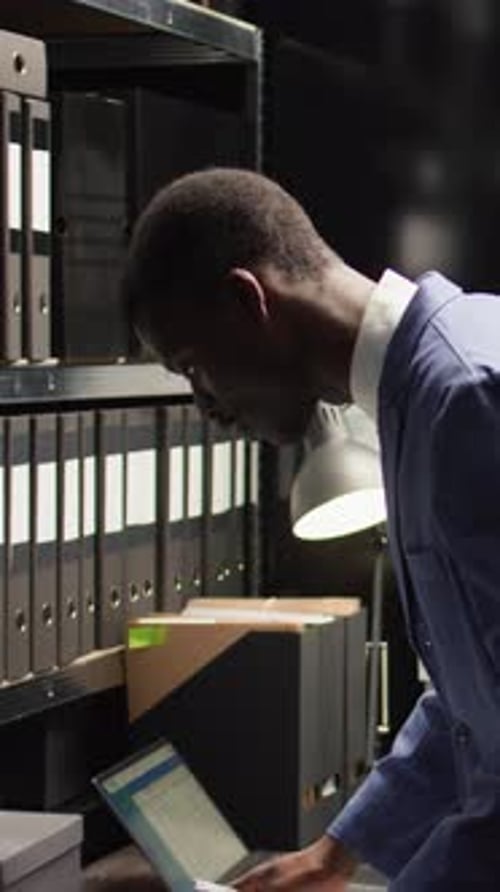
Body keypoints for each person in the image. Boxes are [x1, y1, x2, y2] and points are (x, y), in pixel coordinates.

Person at [123, 167, 500, 890]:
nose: (206, 406)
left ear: (249, 301)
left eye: (194, 368)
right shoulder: (420, 402)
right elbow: (474, 701)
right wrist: (335, 855)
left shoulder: (467, 401)